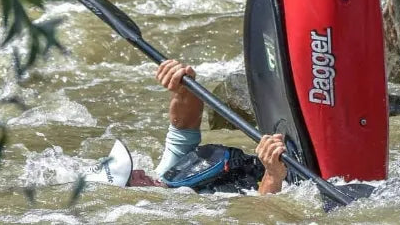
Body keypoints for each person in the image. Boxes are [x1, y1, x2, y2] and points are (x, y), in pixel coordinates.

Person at [123, 59, 288, 194]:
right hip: (293, 183)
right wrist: (273, 174)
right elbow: (262, 214)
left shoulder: (166, 175)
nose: (139, 172)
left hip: (286, 162)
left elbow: (184, 127)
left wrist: (183, 88)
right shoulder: (192, 213)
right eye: (132, 179)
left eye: (132, 171)